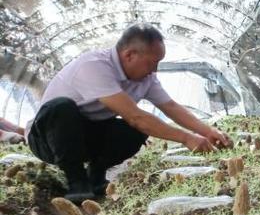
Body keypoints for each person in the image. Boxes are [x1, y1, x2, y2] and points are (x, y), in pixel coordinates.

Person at [25, 23, 231, 202]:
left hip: (85, 134)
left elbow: (171, 107)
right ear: (129, 54)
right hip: (48, 139)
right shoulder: (94, 66)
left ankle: (95, 176)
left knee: (135, 132)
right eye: (152, 62)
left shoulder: (145, 79)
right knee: (62, 108)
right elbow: (135, 116)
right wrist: (186, 138)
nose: (155, 70)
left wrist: (207, 131)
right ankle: (76, 182)